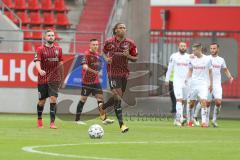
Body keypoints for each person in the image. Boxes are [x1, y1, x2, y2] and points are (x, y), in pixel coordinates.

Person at [101, 23, 138, 133]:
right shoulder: (109, 42)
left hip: (124, 73)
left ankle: (102, 107)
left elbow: (135, 58)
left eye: (124, 28)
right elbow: (103, 53)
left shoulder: (130, 43)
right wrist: (106, 59)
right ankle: (122, 125)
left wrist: (128, 56)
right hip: (112, 72)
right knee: (117, 97)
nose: (123, 29)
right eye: (120, 28)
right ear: (116, 30)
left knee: (118, 96)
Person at [74, 39, 114, 125]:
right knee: (83, 99)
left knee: (100, 99)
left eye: (97, 44)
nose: (96, 46)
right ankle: (77, 120)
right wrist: (94, 72)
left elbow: (102, 62)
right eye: (94, 45)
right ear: (90, 45)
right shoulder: (86, 54)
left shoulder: (97, 55)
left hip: (96, 82)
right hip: (87, 82)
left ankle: (104, 119)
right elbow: (84, 67)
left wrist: (107, 60)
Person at [194, 43, 233, 127]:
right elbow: (196, 55)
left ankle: (214, 120)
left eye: (214, 48)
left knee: (218, 102)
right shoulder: (207, 58)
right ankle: (205, 121)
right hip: (207, 83)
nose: (212, 50)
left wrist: (230, 77)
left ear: (218, 49)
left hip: (217, 84)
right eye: (211, 48)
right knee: (207, 103)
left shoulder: (221, 60)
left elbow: (225, 69)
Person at [34, 29, 64, 129]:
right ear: (45, 37)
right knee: (42, 101)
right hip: (43, 79)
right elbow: (37, 62)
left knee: (53, 99)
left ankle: (52, 123)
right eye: (49, 35)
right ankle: (39, 119)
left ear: (54, 37)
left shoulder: (59, 49)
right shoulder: (40, 49)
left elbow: (60, 63)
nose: (51, 37)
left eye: (52, 35)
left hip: (54, 79)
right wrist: (39, 70)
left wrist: (62, 77)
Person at [185, 43, 213, 128]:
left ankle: (204, 122)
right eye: (192, 50)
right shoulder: (192, 59)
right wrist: (186, 79)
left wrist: (211, 83)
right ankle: (190, 121)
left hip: (203, 84)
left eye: (194, 50)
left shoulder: (207, 59)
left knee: (203, 101)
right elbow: (190, 70)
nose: (193, 51)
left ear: (199, 49)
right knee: (191, 104)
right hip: (193, 84)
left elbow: (210, 71)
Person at [165, 42, 190, 127]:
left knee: (183, 101)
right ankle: (181, 118)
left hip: (186, 82)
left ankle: (177, 119)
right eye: (181, 46)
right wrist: (167, 80)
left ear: (186, 47)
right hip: (177, 81)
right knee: (179, 99)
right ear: (178, 47)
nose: (183, 47)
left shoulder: (189, 57)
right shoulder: (174, 56)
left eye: (184, 46)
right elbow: (169, 68)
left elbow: (191, 70)